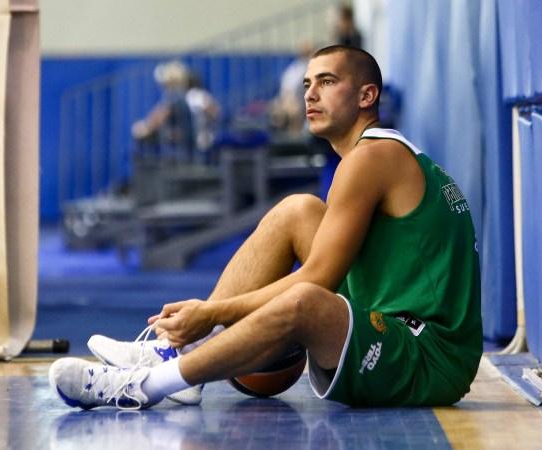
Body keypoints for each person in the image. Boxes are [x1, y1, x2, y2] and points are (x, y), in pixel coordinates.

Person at [50, 45, 482, 409]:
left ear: (367, 95)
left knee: (306, 300)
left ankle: (146, 386)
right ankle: (176, 349)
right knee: (298, 209)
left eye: (327, 82)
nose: (310, 94)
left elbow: (318, 279)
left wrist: (212, 314)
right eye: (307, 84)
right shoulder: (382, 154)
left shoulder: (371, 158)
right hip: (397, 318)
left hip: (428, 356)